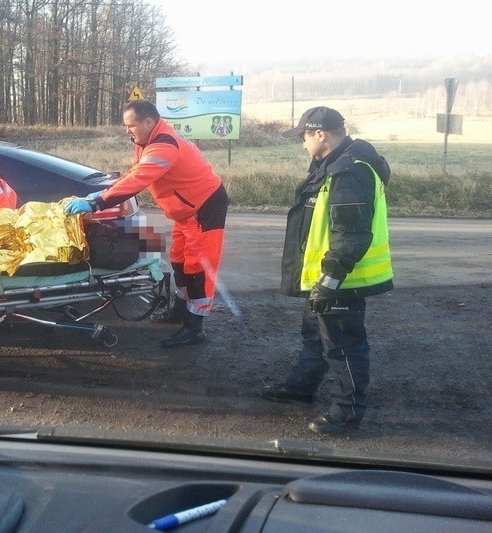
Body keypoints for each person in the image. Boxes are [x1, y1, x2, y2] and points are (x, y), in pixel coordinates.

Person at [260, 106, 394, 435]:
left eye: (305, 136)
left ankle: (347, 413)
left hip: (341, 280)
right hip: (326, 277)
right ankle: (300, 388)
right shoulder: (331, 165)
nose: (303, 144)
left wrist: (329, 282)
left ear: (322, 134)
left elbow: (352, 234)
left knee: (343, 345)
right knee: (315, 336)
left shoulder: (348, 171)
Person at [64, 99, 228, 349]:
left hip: (205, 208)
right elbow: (134, 173)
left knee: (199, 268)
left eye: (131, 125)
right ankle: (181, 311)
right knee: (179, 261)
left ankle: (195, 328)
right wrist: (99, 194)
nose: (127, 131)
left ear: (149, 122)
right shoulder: (147, 143)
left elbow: (139, 179)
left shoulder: (164, 146)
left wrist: (98, 203)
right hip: (187, 212)